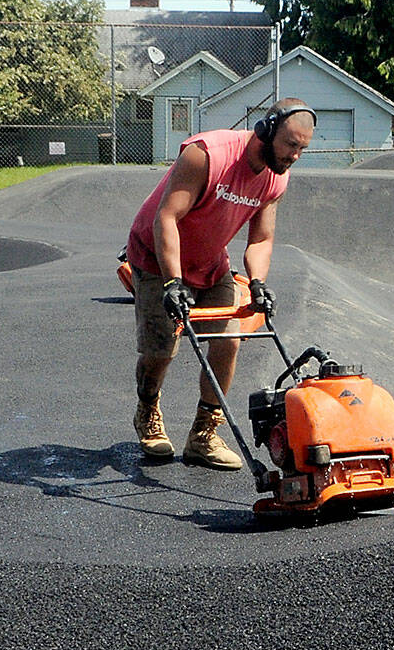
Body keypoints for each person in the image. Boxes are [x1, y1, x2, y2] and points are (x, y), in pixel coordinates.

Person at [126, 99, 315, 469]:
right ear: (266, 130)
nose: (295, 155)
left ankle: (203, 434)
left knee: (229, 340)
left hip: (211, 262)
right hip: (156, 255)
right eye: (291, 144)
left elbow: (261, 239)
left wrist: (258, 282)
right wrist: (172, 282)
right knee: (162, 347)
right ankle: (147, 408)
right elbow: (166, 217)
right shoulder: (207, 154)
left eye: (302, 149)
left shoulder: (276, 177)